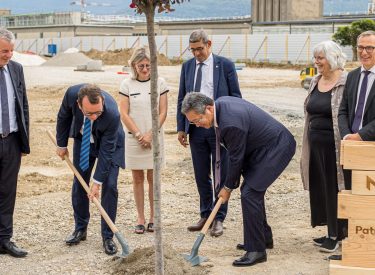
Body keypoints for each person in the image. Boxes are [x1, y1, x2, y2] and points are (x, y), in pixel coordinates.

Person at [181, 92, 296, 267]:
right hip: (260, 149)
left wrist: (227, 187)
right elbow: (235, 156)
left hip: (276, 147)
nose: (197, 125)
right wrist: (228, 184)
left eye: (197, 120)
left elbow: (236, 158)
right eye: (192, 122)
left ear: (209, 109)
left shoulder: (231, 123)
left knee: (250, 193)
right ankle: (263, 238)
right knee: (251, 191)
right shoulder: (220, 109)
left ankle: (257, 250)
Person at [176, 29, 242, 237]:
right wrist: (181, 127)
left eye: (200, 49)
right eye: (192, 50)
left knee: (220, 174)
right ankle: (206, 214)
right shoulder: (187, 67)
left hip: (219, 128)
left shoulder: (225, 65)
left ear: (209, 44)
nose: (196, 54)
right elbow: (181, 98)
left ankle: (219, 217)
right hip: (196, 130)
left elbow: (236, 98)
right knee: (200, 173)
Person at [55, 84, 125, 255]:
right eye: (89, 113)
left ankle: (107, 236)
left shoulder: (112, 113)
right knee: (80, 181)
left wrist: (97, 181)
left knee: (109, 186)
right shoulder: (71, 94)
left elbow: (107, 151)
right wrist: (61, 144)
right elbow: (63, 117)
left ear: (102, 102)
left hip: (110, 144)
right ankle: (80, 229)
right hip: (83, 140)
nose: (94, 117)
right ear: (79, 104)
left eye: (98, 113)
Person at [300, 41, 348, 253]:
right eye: (316, 57)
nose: (316, 62)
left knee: (334, 188)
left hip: (335, 146)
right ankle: (330, 230)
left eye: (320, 58)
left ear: (332, 58)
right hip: (316, 144)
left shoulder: (346, 81)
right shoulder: (315, 80)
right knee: (321, 189)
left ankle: (337, 234)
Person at [333, 30, 375, 261]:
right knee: (352, 197)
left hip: (372, 150)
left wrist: (361, 135)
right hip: (352, 151)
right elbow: (343, 111)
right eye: (361, 47)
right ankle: (352, 245)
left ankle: (370, 246)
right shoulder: (352, 77)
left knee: (371, 200)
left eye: (370, 48)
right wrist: (348, 135)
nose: (364, 52)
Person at [119, 46, 168, 234]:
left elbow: (163, 111)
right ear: (134, 66)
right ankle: (140, 217)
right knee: (137, 177)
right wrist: (139, 135)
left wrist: (150, 134)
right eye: (141, 66)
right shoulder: (126, 85)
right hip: (134, 138)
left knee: (153, 178)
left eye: (148, 65)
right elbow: (123, 112)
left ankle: (153, 217)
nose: (145, 69)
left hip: (154, 137)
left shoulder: (160, 83)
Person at [0, 28, 29, 258]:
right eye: (4, 51)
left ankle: (4, 240)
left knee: (8, 192)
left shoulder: (16, 69)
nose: (8, 55)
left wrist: (23, 142)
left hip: (11, 141)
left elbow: (23, 106)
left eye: (11, 51)